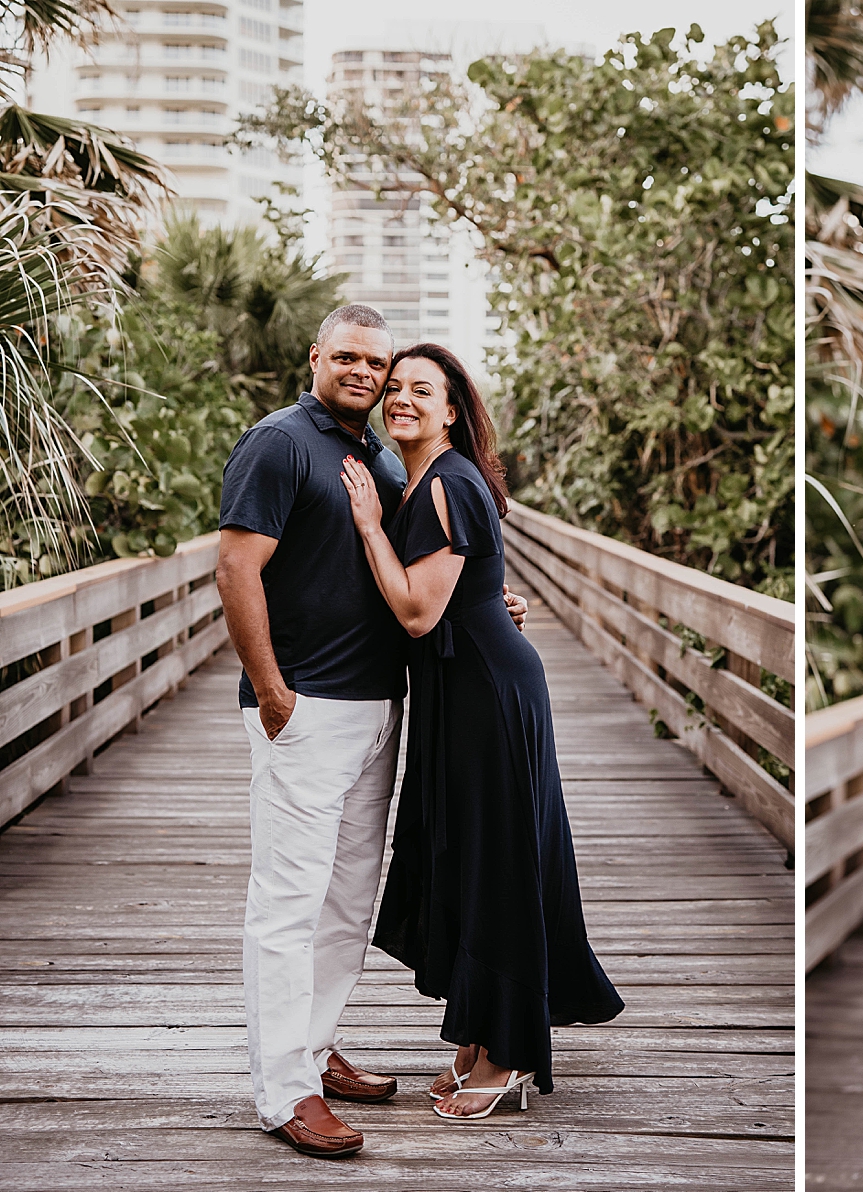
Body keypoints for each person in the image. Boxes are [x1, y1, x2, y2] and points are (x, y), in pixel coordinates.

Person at [216, 305, 528, 1157]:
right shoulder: (279, 443)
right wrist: (272, 691)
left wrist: (485, 601)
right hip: (305, 707)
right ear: (316, 356)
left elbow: (416, 567)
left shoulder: (381, 458)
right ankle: (285, 1091)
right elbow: (236, 566)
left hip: (380, 707)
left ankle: (314, 1048)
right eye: (348, 357)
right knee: (288, 902)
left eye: (377, 364)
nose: (364, 373)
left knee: (347, 899)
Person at [339, 342, 624, 1122]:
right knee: (468, 858)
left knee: (495, 865)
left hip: (486, 694)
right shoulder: (424, 479)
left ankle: (508, 1053)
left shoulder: (445, 482)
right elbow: (464, 584)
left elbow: (416, 611)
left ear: (452, 409)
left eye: (421, 390)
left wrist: (369, 526)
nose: (401, 400)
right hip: (458, 689)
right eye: (394, 388)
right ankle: (476, 1033)